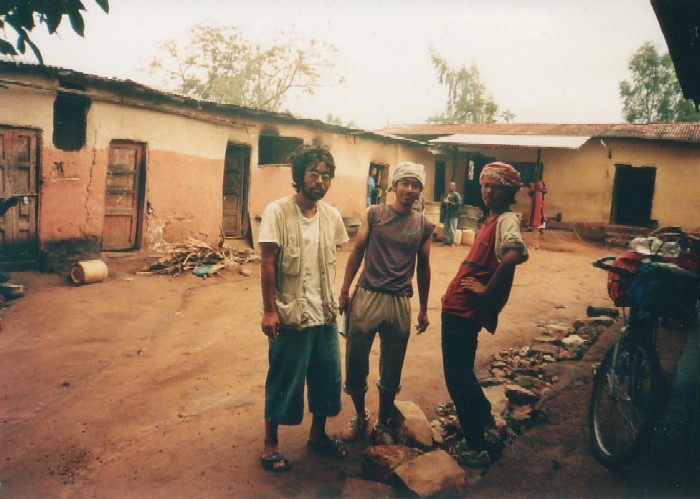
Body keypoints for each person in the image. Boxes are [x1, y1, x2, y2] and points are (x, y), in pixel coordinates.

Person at [258, 145, 349, 473]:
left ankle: (318, 435)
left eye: (326, 176)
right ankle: (270, 443)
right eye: (314, 173)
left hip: (323, 313)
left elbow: (330, 260)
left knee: (327, 377)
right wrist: (270, 311)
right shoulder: (278, 212)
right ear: (299, 176)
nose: (320, 181)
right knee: (284, 378)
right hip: (290, 314)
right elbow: (267, 263)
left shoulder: (331, 217)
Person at [338, 161, 435, 445]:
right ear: (393, 186)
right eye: (404, 183)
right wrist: (345, 290)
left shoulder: (423, 225)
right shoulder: (374, 214)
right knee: (356, 362)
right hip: (367, 295)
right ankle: (361, 416)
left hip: (399, 302)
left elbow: (424, 267)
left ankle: (381, 423)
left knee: (392, 366)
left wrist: (424, 310)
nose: (409, 189)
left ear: (420, 191)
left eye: (415, 185)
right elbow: (357, 251)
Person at [440, 162, 528, 468]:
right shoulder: (490, 220)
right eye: (485, 185)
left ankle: (476, 443)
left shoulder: (506, 220)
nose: (488, 191)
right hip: (457, 309)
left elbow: (514, 254)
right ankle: (485, 423)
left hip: (464, 311)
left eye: (495, 186)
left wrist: (487, 290)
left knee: (457, 377)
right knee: (460, 373)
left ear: (509, 191)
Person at [442, 182, 462, 246]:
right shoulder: (447, 194)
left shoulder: (456, 195)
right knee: (446, 227)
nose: (451, 187)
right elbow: (444, 203)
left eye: (452, 185)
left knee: (453, 228)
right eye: (450, 185)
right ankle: (446, 241)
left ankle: (452, 242)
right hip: (447, 213)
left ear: (455, 187)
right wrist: (444, 203)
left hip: (454, 214)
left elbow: (458, 204)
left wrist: (449, 202)